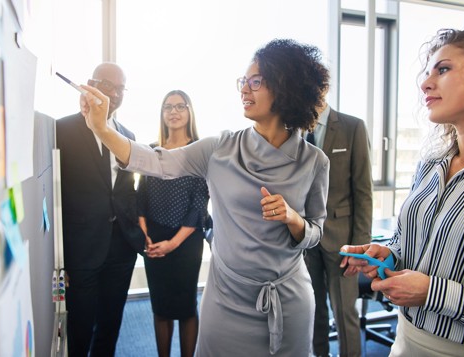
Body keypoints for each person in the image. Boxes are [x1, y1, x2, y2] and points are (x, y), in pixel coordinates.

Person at [80, 39, 330, 356]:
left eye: (256, 82)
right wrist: (102, 130)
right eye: (243, 81)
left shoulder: (315, 162)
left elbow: (315, 234)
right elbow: (155, 161)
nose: (244, 90)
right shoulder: (219, 148)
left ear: (285, 88)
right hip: (227, 299)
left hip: (288, 300)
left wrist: (293, 218)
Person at [340, 25, 464, 356]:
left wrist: (432, 292)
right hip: (405, 338)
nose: (425, 83)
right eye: (427, 73)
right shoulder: (431, 164)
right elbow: (406, 241)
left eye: (443, 69)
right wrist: (389, 254)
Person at [56, 62, 145, 357]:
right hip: (82, 249)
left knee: (110, 325)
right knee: (80, 328)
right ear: (90, 83)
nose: (115, 94)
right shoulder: (63, 129)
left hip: (121, 246)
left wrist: (137, 230)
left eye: (120, 89)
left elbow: (126, 189)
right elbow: (56, 195)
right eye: (108, 85)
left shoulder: (127, 134)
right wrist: (60, 257)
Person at [138, 90, 210, 357]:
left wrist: (173, 244)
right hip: (153, 238)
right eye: (168, 106)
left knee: (186, 306)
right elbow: (141, 196)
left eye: (180, 106)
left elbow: (199, 205)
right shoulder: (151, 150)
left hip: (187, 240)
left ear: (190, 112)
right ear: (162, 113)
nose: (174, 111)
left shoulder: (200, 151)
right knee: (161, 306)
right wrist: (145, 234)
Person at [304, 96, 373, 357]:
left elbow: (364, 192)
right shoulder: (294, 129)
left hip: (343, 241)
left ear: (321, 87)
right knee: (313, 311)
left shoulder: (352, 127)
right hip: (306, 239)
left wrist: (360, 248)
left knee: (345, 314)